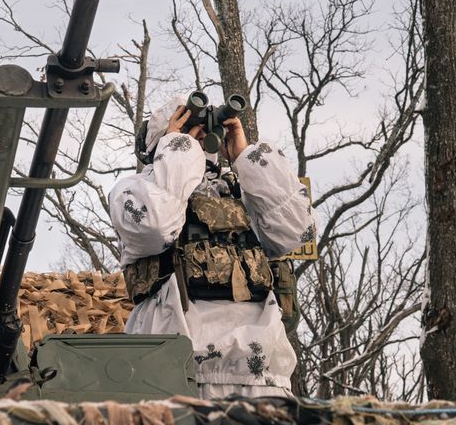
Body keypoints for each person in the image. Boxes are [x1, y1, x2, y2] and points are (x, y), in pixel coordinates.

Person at [109, 93, 316, 398]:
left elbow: (299, 230)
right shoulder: (134, 192)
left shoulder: (246, 195)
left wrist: (247, 158)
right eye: (188, 128)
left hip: (261, 379)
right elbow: (155, 225)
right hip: (174, 379)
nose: (199, 136)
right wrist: (177, 149)